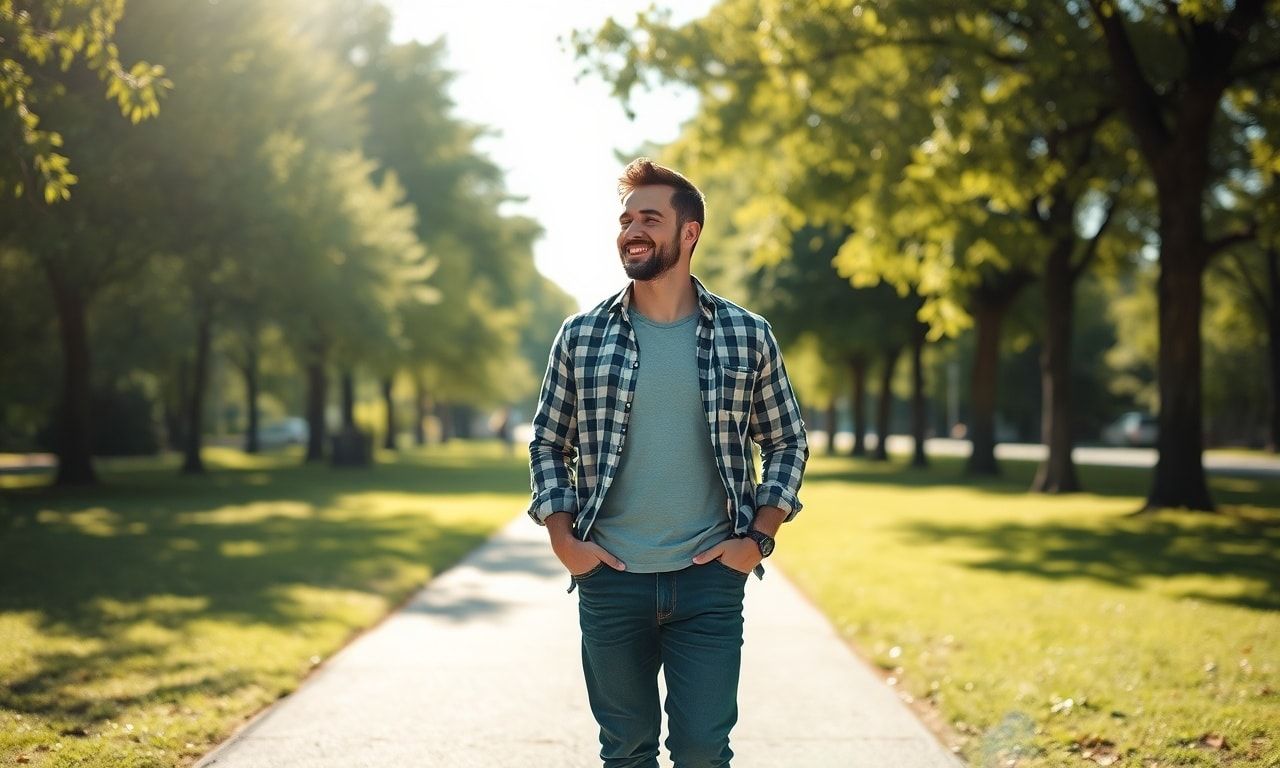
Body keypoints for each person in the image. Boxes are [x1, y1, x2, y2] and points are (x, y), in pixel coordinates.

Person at [526, 158, 809, 768]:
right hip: (609, 579)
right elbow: (548, 442)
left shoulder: (747, 334)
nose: (632, 229)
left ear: (690, 233)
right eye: (626, 219)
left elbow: (786, 441)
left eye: (649, 218)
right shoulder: (580, 336)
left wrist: (758, 539)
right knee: (626, 752)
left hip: (709, 580)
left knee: (704, 752)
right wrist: (565, 543)